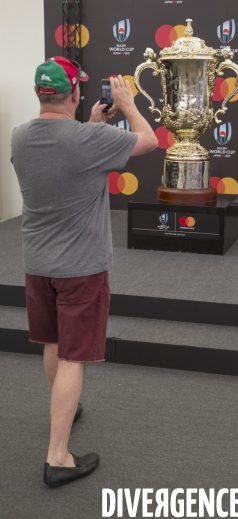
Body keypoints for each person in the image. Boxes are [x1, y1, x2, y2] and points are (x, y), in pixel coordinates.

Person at [11, 56, 158, 486]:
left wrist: (92, 120)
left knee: (54, 343)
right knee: (75, 356)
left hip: (37, 265)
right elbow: (148, 141)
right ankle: (57, 457)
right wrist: (128, 107)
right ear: (73, 93)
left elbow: (64, 154)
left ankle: (66, 408)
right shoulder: (89, 140)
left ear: (41, 93)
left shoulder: (20, 137)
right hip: (81, 269)